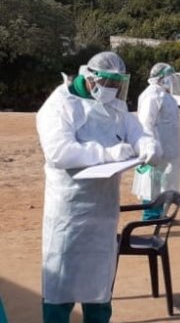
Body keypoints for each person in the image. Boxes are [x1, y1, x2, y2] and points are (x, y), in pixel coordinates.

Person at [36, 51, 159, 323]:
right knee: (62, 281)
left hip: (103, 212)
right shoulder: (61, 105)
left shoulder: (115, 104)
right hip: (69, 212)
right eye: (108, 83)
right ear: (89, 77)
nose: (112, 90)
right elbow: (59, 152)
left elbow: (134, 129)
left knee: (99, 284)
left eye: (117, 84)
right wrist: (108, 154)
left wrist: (146, 144)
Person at [132, 62, 180, 220]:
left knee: (166, 183)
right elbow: (146, 123)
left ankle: (163, 214)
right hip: (157, 151)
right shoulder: (152, 95)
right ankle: (152, 215)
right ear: (161, 78)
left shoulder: (166, 95)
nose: (172, 81)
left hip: (170, 151)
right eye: (169, 77)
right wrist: (151, 148)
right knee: (152, 184)